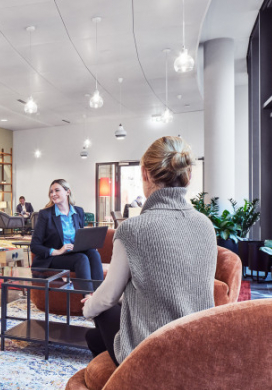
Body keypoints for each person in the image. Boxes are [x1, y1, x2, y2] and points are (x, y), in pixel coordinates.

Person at [81, 136, 216, 366]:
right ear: (189, 175)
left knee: (100, 309)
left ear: (145, 174)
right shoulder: (206, 225)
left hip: (152, 355)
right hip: (200, 347)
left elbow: (109, 296)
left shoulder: (132, 229)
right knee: (93, 338)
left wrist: (88, 307)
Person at [30, 179, 104, 281]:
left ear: (67, 192)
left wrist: (88, 244)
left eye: (57, 190)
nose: (53, 194)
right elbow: (34, 246)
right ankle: (87, 295)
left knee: (93, 253)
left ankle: (99, 294)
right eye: (51, 192)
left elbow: (80, 237)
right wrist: (58, 251)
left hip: (74, 253)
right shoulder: (45, 214)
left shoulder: (79, 211)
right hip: (54, 258)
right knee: (81, 259)